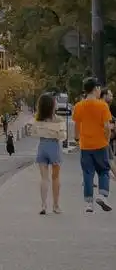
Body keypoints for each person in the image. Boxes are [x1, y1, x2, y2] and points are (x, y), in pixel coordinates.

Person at [73, 76, 112, 214]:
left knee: (88, 173)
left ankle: (88, 203)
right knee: (103, 171)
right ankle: (102, 195)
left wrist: (77, 139)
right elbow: (107, 126)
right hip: (100, 144)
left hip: (85, 145)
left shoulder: (79, 106)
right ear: (96, 89)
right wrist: (107, 139)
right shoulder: (102, 106)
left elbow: (77, 126)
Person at [30, 93, 65, 214]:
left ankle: (43, 205)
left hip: (42, 147)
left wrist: (45, 132)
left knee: (44, 178)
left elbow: (33, 133)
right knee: (55, 178)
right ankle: (55, 205)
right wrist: (53, 133)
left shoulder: (38, 120)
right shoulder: (58, 120)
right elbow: (62, 136)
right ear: (52, 106)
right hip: (54, 148)